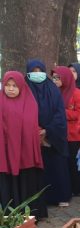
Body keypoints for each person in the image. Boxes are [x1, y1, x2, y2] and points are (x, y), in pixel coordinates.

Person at [0, 71, 47, 218]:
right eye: (7, 85)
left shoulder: (29, 101)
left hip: (24, 152)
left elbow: (30, 125)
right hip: (5, 151)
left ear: (21, 86)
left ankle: (30, 215)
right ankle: (10, 215)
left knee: (26, 180)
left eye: (14, 86)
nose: (11, 89)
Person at [26, 59, 71, 208]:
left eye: (40, 71)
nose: (37, 74)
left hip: (53, 137)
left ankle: (60, 196)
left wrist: (48, 130)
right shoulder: (25, 89)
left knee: (56, 165)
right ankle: (41, 199)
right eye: (34, 71)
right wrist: (35, 129)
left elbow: (59, 113)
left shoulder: (52, 89)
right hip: (32, 135)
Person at [51, 66, 80, 197]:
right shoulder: (54, 92)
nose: (55, 80)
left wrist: (62, 112)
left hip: (73, 135)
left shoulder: (76, 93)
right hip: (59, 134)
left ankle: (77, 188)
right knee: (62, 163)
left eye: (57, 77)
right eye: (53, 77)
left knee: (73, 163)